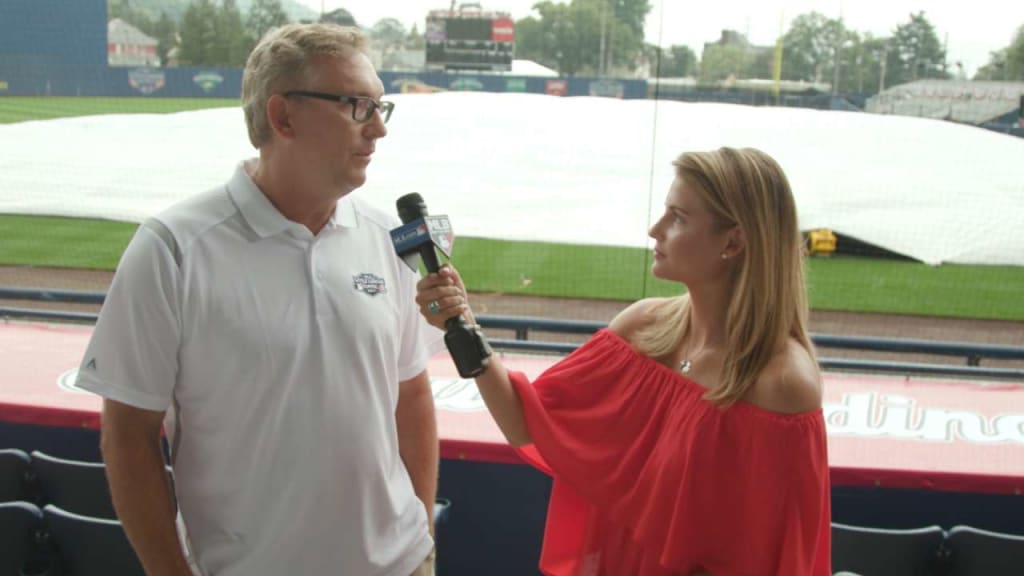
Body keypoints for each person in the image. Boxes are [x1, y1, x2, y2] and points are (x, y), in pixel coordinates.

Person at [76, 23, 441, 576]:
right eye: (356, 107)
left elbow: (410, 393)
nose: (377, 132)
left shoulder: (386, 240)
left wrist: (421, 532)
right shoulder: (174, 249)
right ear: (283, 117)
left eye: (379, 108)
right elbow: (127, 433)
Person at [417, 147, 831, 575]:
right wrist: (461, 322)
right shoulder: (642, 328)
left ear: (734, 241)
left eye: (679, 217)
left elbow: (777, 559)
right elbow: (529, 420)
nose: (656, 229)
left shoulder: (781, 383)